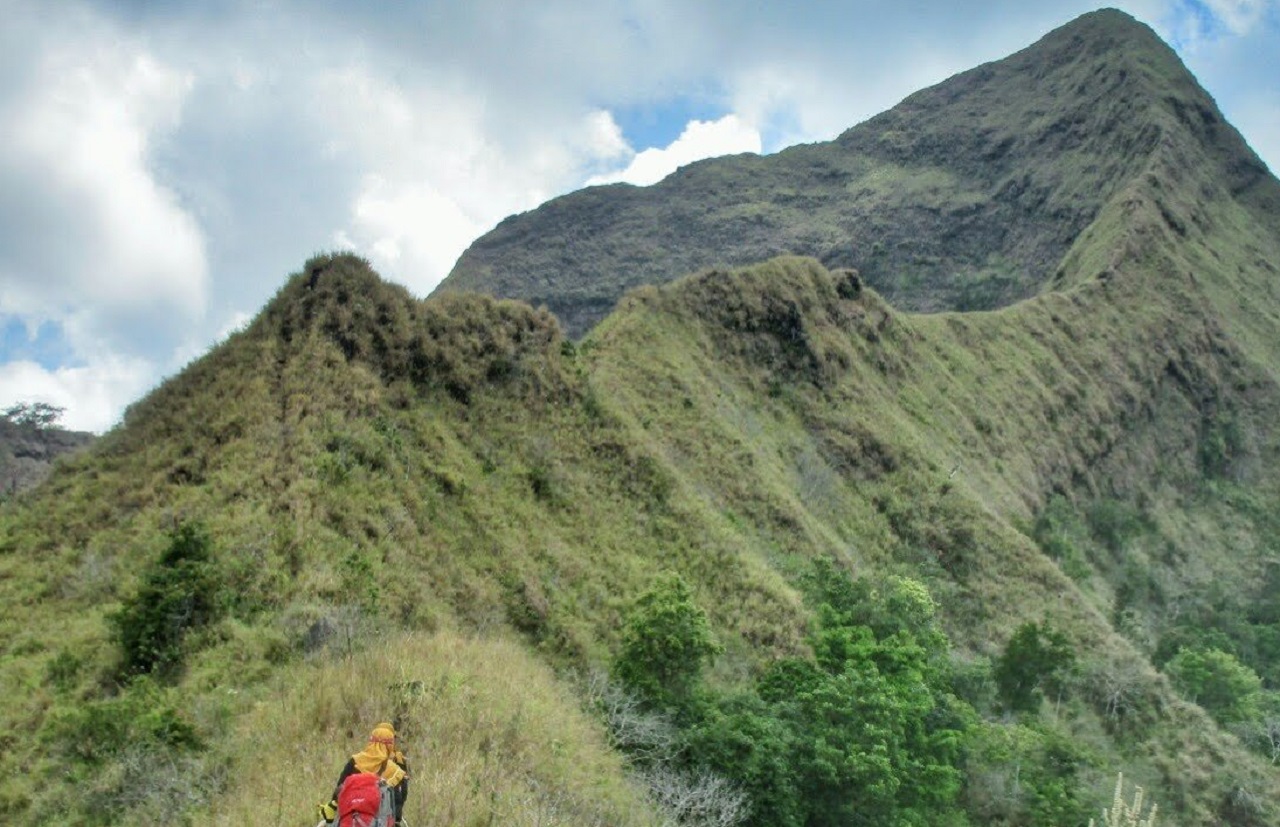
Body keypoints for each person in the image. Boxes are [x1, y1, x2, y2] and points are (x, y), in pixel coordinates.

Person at [318, 722, 410, 825]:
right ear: (390, 744)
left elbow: (339, 791)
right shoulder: (395, 770)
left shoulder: (355, 761)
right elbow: (398, 805)